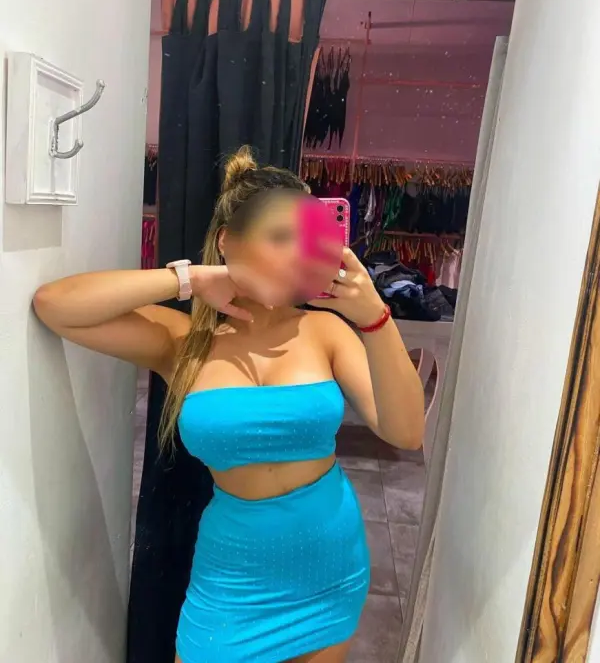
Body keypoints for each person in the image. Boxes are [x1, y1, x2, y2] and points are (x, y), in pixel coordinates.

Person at [33, 147, 425, 663]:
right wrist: (189, 279)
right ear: (227, 241)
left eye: (305, 238)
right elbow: (56, 306)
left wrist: (374, 317)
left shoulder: (326, 331)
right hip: (233, 574)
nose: (295, 254)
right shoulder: (183, 341)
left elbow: (406, 433)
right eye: (278, 237)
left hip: (328, 565)